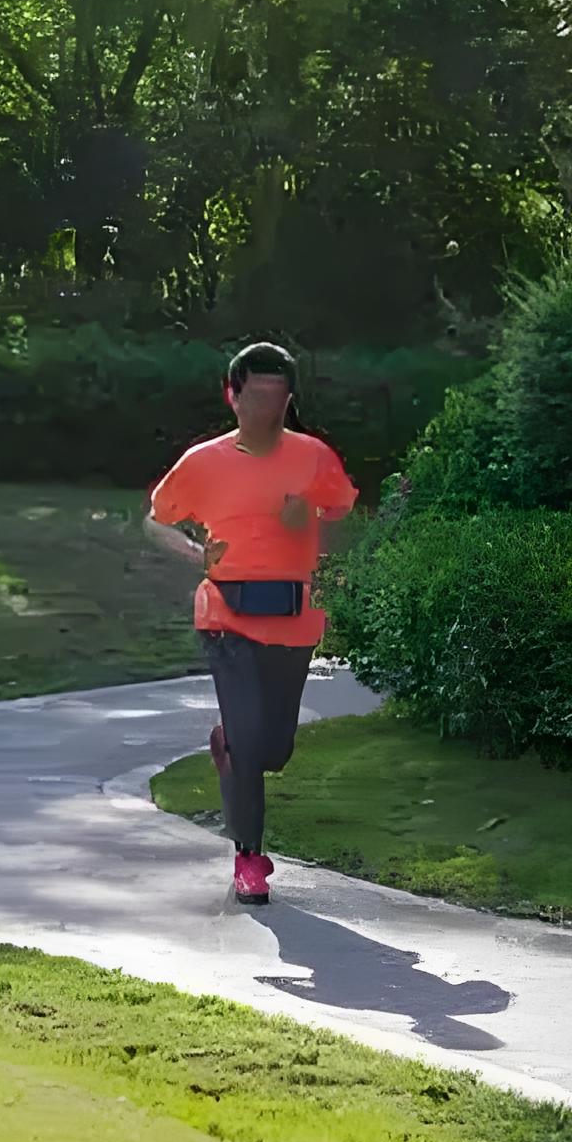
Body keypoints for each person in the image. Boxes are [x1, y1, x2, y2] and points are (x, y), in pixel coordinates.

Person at [147, 341, 357, 905]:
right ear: (232, 396)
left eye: (277, 396)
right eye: (256, 395)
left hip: (293, 618)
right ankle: (249, 860)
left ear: (289, 400)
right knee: (248, 739)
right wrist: (197, 554)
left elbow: (340, 515)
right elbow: (155, 522)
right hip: (226, 615)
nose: (267, 407)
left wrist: (309, 516)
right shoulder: (203, 462)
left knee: (273, 751)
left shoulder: (314, 457)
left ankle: (235, 749)